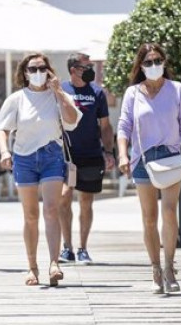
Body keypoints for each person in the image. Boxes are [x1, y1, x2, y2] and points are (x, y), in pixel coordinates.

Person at [116, 43, 181, 294]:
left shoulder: (176, 90)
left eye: (157, 61)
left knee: (169, 211)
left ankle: (169, 267)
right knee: (148, 218)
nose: (153, 66)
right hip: (142, 158)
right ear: (140, 66)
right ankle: (155, 268)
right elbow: (124, 126)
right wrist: (123, 154)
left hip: (171, 156)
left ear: (164, 63)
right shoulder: (133, 93)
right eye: (148, 62)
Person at [0, 53, 82, 287]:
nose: (37, 73)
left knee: (52, 209)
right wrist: (5, 152)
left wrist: (60, 92)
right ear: (24, 73)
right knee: (31, 215)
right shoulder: (16, 99)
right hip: (23, 158)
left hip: (51, 154)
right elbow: (2, 129)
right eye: (32, 69)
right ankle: (32, 267)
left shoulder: (57, 96)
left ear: (49, 70)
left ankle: (54, 263)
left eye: (41, 68)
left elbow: (73, 120)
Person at [58, 53, 116, 265]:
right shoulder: (62, 90)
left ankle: (82, 248)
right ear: (74, 69)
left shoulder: (97, 93)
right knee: (64, 198)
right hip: (67, 155)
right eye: (87, 66)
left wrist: (109, 152)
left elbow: (106, 126)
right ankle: (67, 248)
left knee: (86, 201)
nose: (91, 69)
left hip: (91, 153)